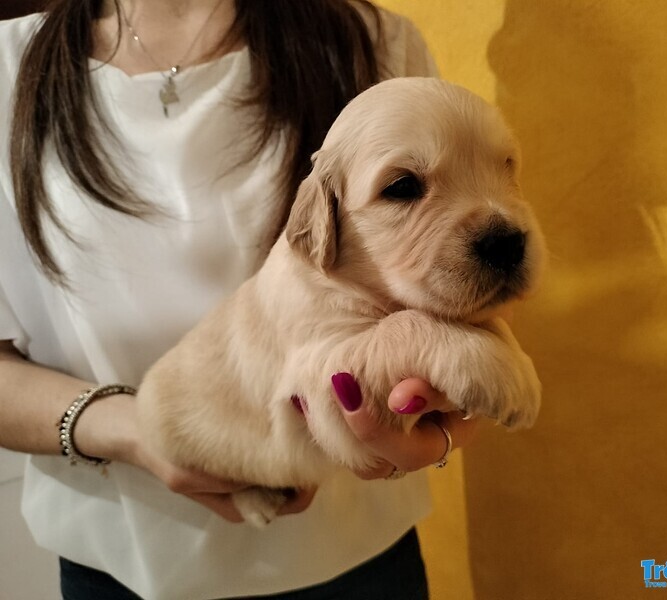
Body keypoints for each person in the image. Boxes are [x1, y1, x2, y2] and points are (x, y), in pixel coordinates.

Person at [0, 1, 478, 598]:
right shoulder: (8, 67)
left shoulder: (374, 44)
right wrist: (138, 432)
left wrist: (447, 407)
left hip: (356, 555)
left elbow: (453, 292)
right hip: (122, 562)